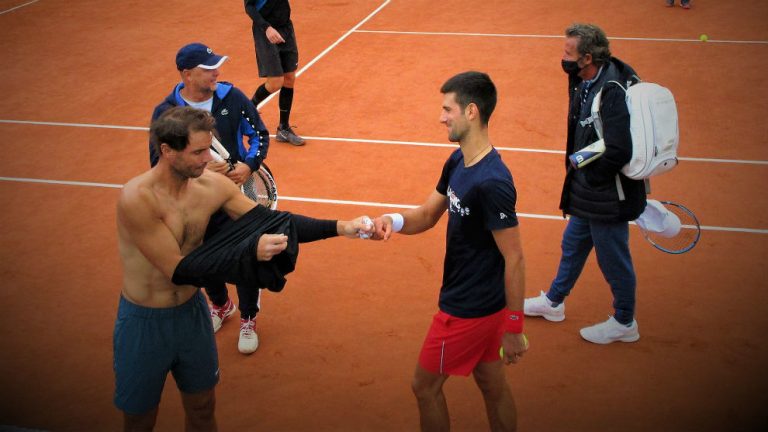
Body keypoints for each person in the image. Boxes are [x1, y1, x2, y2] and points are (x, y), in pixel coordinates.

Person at [116, 106, 372, 430]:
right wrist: (250, 249)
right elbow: (179, 269)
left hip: (191, 314)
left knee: (203, 408)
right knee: (139, 421)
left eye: (208, 148)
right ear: (167, 151)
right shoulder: (138, 199)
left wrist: (342, 226)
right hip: (146, 322)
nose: (208, 159)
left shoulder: (211, 186)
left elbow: (272, 221)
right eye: (197, 152)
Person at [372, 71, 527, 432]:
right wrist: (391, 221)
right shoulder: (458, 162)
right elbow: (427, 215)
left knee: (424, 388)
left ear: (471, 111)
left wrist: (515, 327)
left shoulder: (493, 182)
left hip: (467, 311)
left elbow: (515, 256)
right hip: (485, 308)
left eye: (447, 109)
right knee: (492, 385)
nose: (441, 117)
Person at [523, 23, 646, 344]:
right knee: (573, 244)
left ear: (587, 57)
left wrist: (591, 176)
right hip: (588, 190)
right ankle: (553, 301)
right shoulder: (586, 78)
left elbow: (620, 149)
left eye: (568, 52)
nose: (563, 57)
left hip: (607, 194)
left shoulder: (611, 90)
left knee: (613, 259)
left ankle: (624, 321)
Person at [149, 42, 270, 354]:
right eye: (208, 68)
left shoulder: (232, 97)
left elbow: (259, 134)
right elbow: (157, 163)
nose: (217, 71)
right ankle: (220, 305)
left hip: (235, 197)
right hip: (194, 205)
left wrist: (248, 165)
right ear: (187, 74)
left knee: (245, 259)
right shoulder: (166, 113)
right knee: (203, 262)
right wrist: (198, 171)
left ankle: (247, 317)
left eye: (218, 65)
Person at [245, 0, 305, 146]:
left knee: (289, 78)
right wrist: (267, 28)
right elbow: (249, 6)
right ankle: (247, 109)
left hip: (286, 28)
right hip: (266, 32)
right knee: (275, 82)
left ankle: (283, 128)